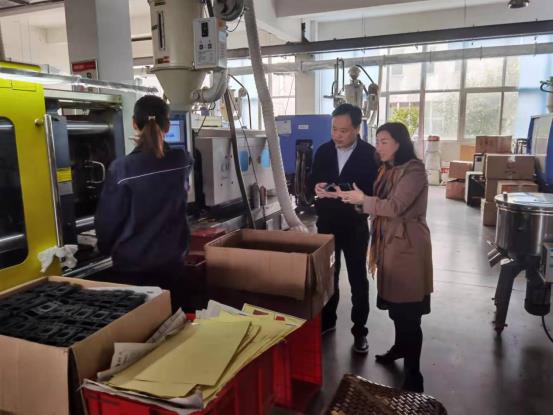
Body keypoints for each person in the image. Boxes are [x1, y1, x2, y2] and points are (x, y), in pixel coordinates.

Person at [337, 122, 433, 393]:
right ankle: (400, 347)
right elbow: (377, 204)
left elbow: (395, 206)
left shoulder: (414, 171)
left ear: (400, 143)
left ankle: (414, 373)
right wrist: (353, 200)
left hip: (408, 246)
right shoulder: (387, 169)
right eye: (377, 141)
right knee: (396, 308)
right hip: (388, 243)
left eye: (384, 141)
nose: (378, 147)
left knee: (409, 313)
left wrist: (363, 200)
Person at [95, 95, 193, 308]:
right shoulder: (182, 160)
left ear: (134, 123)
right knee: (174, 319)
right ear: (167, 126)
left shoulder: (121, 169)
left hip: (133, 269)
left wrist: (103, 247)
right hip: (173, 263)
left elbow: (108, 223)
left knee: (143, 325)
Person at [309, 103, 379, 354]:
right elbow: (311, 180)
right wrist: (316, 187)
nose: (337, 135)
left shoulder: (370, 155)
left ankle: (359, 331)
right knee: (328, 276)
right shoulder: (324, 151)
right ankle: (328, 321)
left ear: (357, 129)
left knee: (358, 279)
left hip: (354, 226)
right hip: (327, 224)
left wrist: (357, 197)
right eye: (334, 129)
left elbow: (375, 192)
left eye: (344, 130)